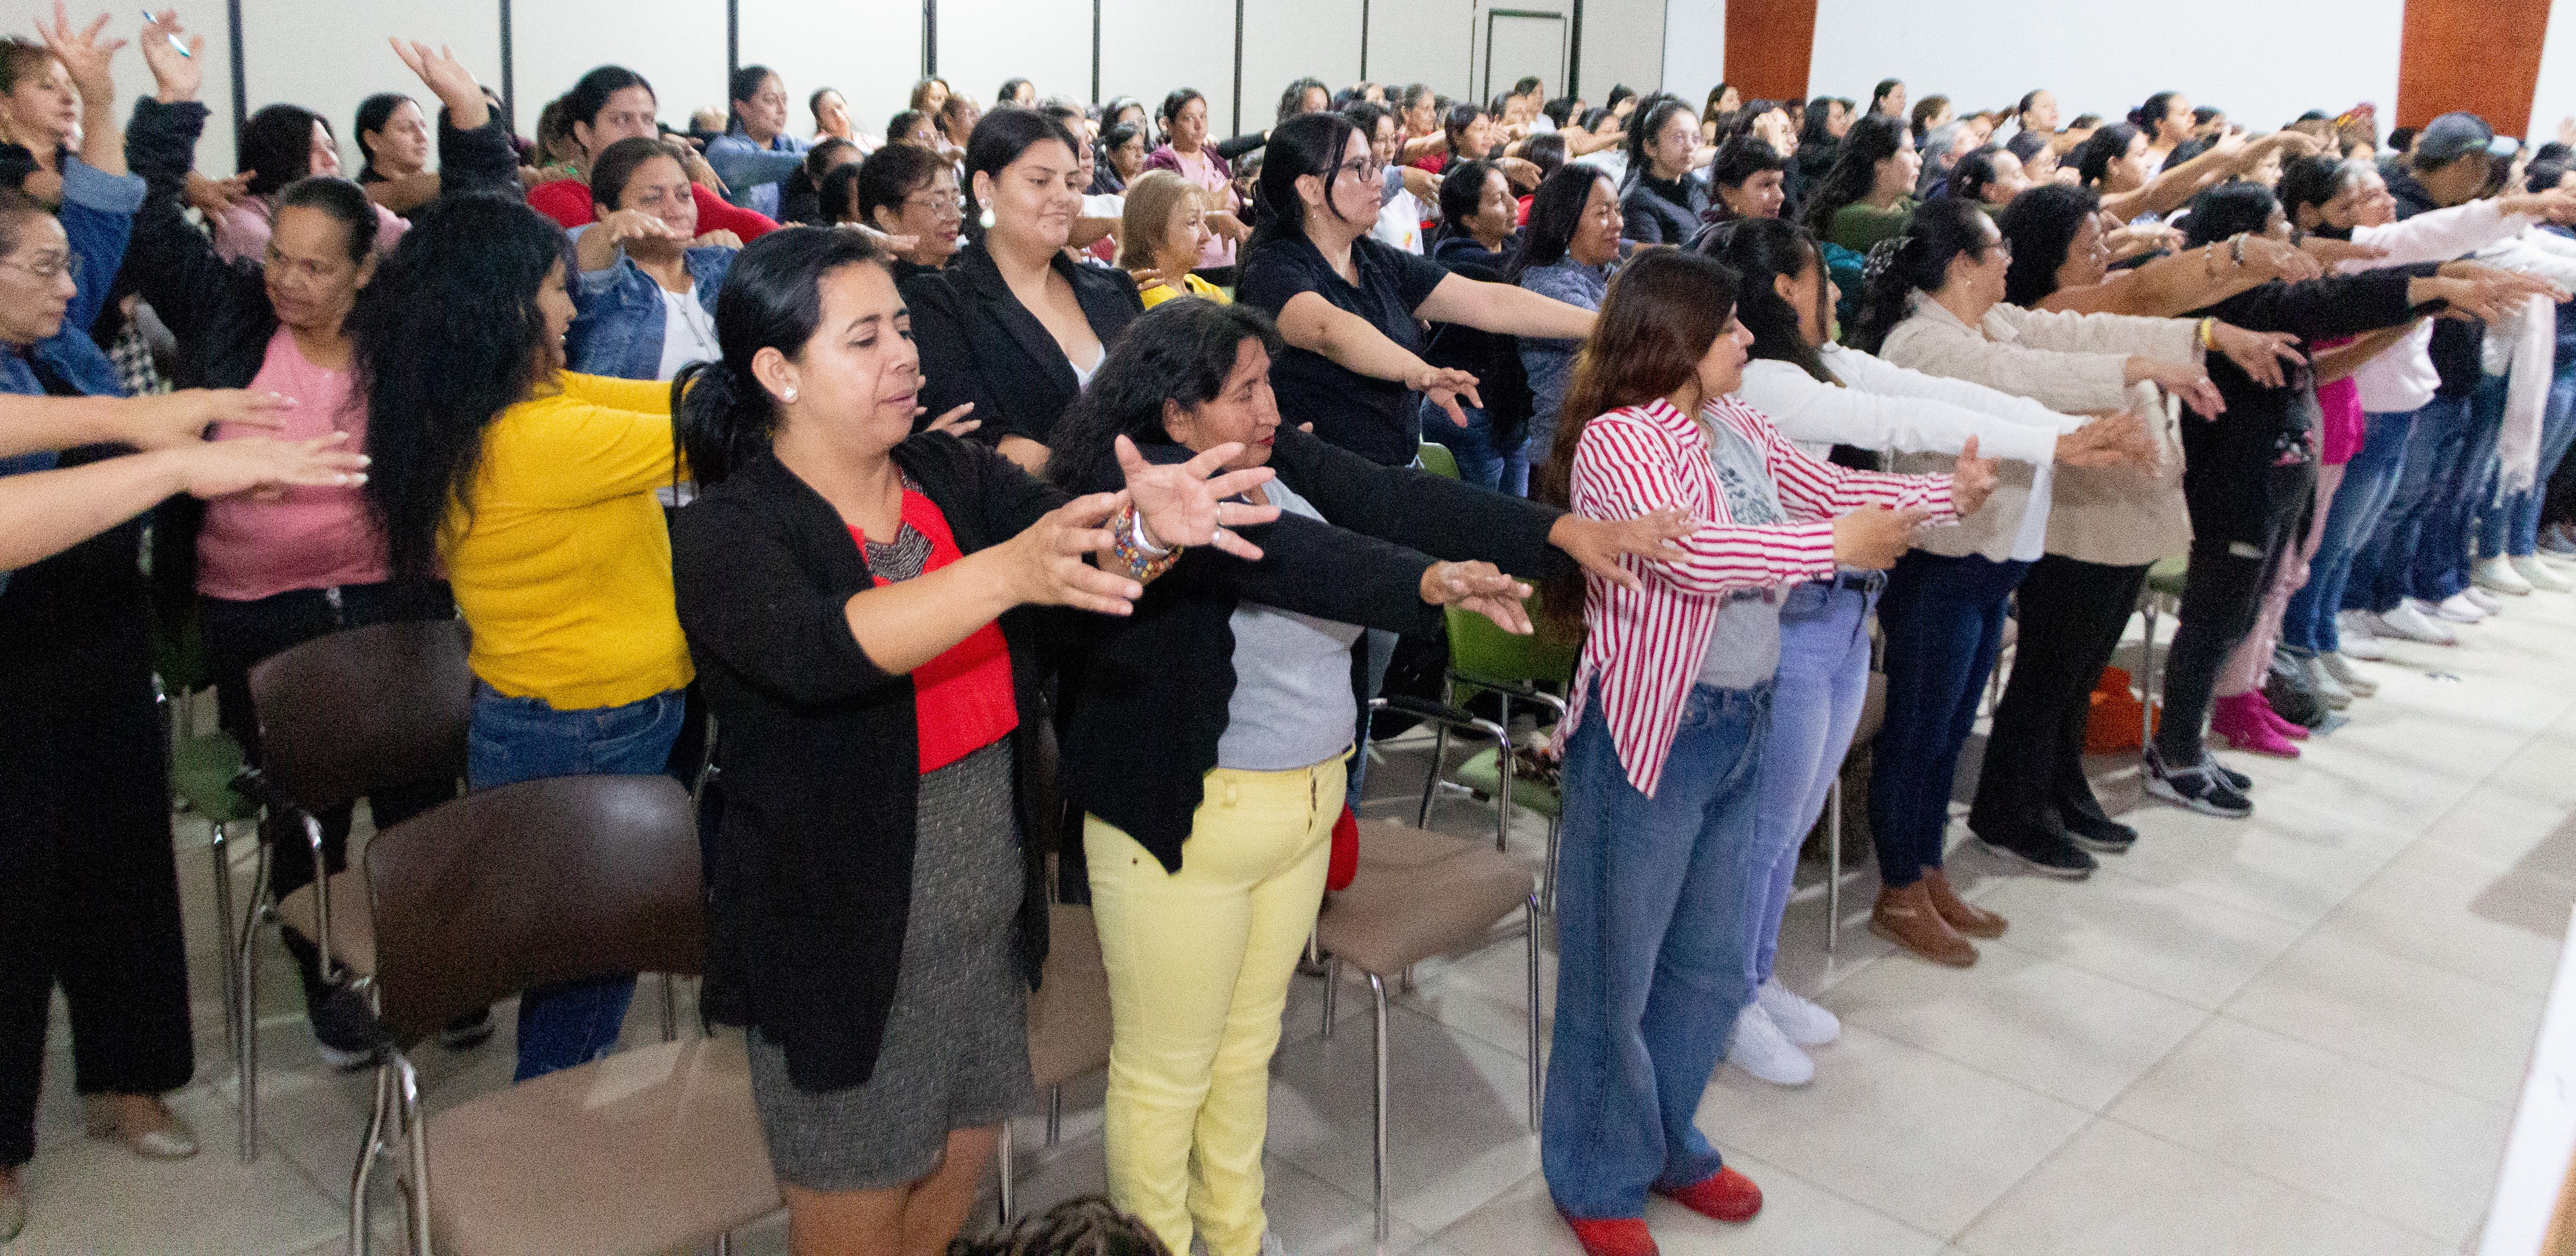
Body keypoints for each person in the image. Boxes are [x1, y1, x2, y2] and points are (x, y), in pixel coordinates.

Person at [670, 227, 1272, 1256]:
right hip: (847, 947)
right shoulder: (732, 530)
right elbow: (827, 651)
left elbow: (1078, 547)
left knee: (942, 1212)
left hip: (981, 920)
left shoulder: (950, 473)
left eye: (904, 327)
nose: (906, 356)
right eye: (864, 339)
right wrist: (1007, 574)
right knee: (854, 1228)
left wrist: (1149, 534)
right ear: (778, 371)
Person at [1046, 295, 1677, 1256]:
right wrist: (1428, 583)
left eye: (1269, 384)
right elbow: (1289, 559)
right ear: (1174, 417)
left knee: (1246, 1052)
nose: (1270, 410)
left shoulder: (1272, 456)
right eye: (1245, 391)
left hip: (1298, 810)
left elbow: (1398, 497)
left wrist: (1556, 534)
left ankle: (1236, 1236)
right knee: (1166, 1073)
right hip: (1185, 821)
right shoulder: (1145, 501)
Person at [121, 25, 516, 1067]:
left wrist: (469, 118)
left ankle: (441, 965)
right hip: (259, 608)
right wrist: (168, 110)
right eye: (277, 259)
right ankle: (333, 985)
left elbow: (485, 240)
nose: (287, 281)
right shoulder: (227, 314)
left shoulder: (403, 330)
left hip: (397, 595)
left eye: (313, 267)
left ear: (363, 271)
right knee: (309, 813)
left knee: (425, 798)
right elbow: (149, 228)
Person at [1534, 250, 1937, 1256]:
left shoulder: (1736, 424)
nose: (1749, 338)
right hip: (1653, 733)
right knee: (1612, 975)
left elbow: (1823, 492)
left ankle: (1666, 1142)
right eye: (1728, 328)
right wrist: (1832, 548)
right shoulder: (1622, 440)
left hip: (1738, 720)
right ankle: (1594, 1174)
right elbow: (1691, 553)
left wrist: (1945, 496)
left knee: (1708, 968)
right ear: (1673, 338)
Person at [1709, 216, 2147, 1073]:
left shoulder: (1816, 362)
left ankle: (1753, 977)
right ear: (1786, 292)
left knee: (1794, 814)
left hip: (1837, 615)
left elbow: (1936, 402)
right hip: (1789, 620)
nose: (1835, 292)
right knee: (1766, 829)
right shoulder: (1762, 380)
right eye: (1818, 280)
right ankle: (1727, 996)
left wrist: (2054, 427)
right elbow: (1893, 417)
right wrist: (2054, 439)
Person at [356, 191, 693, 1083]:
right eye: (556, 288)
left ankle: (551, 1125)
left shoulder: (491, 408)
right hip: (589, 723)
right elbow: (707, 432)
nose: (572, 305)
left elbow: (665, 400)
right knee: (586, 966)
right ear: (507, 307)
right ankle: (550, 1149)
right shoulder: (536, 437)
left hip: (551, 714)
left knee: (571, 950)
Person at [1851, 199, 2231, 924]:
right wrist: (2148, 368)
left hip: (1991, 567)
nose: (2010, 261)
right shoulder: (1920, 343)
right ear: (1961, 266)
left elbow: (2072, 332)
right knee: (1919, 735)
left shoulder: (1988, 318)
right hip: (1941, 570)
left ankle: (1927, 871)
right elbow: (2019, 375)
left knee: (1947, 734)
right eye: (1997, 251)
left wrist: (2200, 338)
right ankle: (1899, 887)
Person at [2142, 184, 2497, 809]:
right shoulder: (2238, 304)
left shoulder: (2266, 308)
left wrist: (2421, 307)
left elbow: (2316, 367)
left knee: (2238, 617)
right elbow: (2340, 298)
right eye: (2278, 227)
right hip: (2237, 487)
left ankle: (2188, 745)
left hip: (2278, 483)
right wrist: (2435, 283)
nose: (2290, 242)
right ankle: (2173, 755)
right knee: (2211, 620)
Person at [909, 109, 1143, 473]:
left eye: (1070, 183)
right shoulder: (939, 304)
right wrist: (1129, 484)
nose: (1062, 197)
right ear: (986, 190)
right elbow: (981, 443)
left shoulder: (1114, 289)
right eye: (1039, 181)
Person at [524, 65, 778, 242]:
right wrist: (695, 254)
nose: (641, 133)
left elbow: (755, 229)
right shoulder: (556, 198)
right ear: (585, 133)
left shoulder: (683, 195)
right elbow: (594, 263)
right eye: (622, 120)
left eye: (648, 119)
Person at [566, 136, 738, 381]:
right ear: (606, 212)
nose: (677, 210)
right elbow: (581, 260)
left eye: (684, 195)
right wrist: (608, 231)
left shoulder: (721, 264)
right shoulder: (607, 288)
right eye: (653, 198)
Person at [1514, 165, 1628, 489]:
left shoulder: (1601, 270)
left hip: (1596, 454)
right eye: (1603, 213)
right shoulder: (1550, 284)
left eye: (1618, 210)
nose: (1617, 223)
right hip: (1563, 461)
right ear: (1567, 221)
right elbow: (1621, 345)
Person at [1422, 158, 1531, 489]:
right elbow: (1511, 279)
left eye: (1511, 193)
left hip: (1511, 410)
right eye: (1498, 200)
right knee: (1489, 523)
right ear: (1469, 219)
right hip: (1470, 413)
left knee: (1518, 516)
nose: (1514, 205)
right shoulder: (1460, 265)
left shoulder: (1513, 247)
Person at [211, 101, 408, 264]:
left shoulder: (346, 203)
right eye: (314, 149)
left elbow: (408, 243)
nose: (331, 159)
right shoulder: (244, 223)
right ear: (278, 159)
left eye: (331, 147)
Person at [1140, 89, 1249, 283]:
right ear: (1168, 124)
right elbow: (1166, 220)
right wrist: (1212, 207)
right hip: (1188, 272)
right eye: (1188, 118)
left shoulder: (1214, 158)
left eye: (1203, 117)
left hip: (1228, 267)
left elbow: (1239, 208)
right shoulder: (1161, 163)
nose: (1199, 126)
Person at [1800, 113, 1917, 255]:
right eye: (1909, 151)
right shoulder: (1847, 219)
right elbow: (1928, 220)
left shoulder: (1904, 206)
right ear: (1880, 163)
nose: (1919, 161)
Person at [705, 65, 810, 220]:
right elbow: (762, 163)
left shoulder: (792, 144)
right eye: (771, 100)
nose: (782, 109)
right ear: (742, 107)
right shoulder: (722, 150)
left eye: (785, 100)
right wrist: (819, 163)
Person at [847, 140, 962, 280]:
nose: (955, 215)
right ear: (888, 218)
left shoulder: (966, 267)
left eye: (955, 200)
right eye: (937, 204)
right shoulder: (894, 291)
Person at [1118, 169, 1223, 307]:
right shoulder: (1151, 296)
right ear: (1154, 234)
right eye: (1192, 222)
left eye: (1203, 220)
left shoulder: (1198, 284)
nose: (1208, 236)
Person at [1619, 94, 1706, 243]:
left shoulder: (1696, 186)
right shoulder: (1638, 201)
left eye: (1695, 138)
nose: (1690, 146)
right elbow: (1655, 263)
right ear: (1650, 147)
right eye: (1678, 138)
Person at [353, 90, 438, 212]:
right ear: (373, 140)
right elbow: (407, 194)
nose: (422, 137)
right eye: (407, 128)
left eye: (423, 126)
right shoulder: (362, 198)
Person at [1702, 136, 1787, 224]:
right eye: (1766, 185)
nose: (1780, 196)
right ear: (1729, 194)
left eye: (1779, 184)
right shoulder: (1727, 237)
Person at [2131, 90, 2192, 177]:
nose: (2192, 119)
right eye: (2183, 114)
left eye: (2191, 113)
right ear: (2160, 123)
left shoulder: (2189, 155)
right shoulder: (2148, 163)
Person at [1093, 120, 1144, 195]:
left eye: (1142, 148)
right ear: (1112, 154)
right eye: (1133, 148)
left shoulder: (1148, 175)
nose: (1140, 154)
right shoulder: (1102, 183)